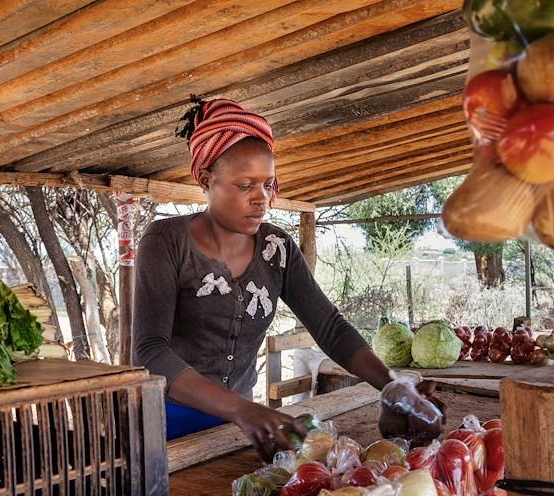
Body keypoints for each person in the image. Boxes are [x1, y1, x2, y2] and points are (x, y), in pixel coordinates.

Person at [131, 98, 395, 459]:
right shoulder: (166, 242)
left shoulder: (277, 248)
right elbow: (151, 351)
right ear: (207, 180)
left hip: (238, 428)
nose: (262, 200)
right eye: (245, 186)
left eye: (268, 184)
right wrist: (243, 409)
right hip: (166, 423)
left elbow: (329, 326)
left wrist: (392, 387)